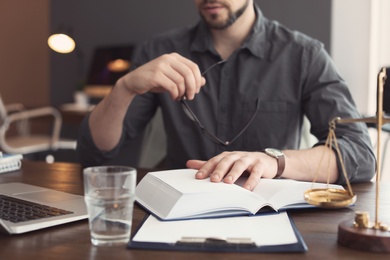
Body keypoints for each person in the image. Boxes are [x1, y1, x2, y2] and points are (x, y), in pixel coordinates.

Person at [77, 0, 375, 190]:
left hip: (268, 213)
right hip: (175, 210)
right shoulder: (159, 50)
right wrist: (124, 88)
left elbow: (359, 155)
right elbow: (95, 153)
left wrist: (274, 161)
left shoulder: (304, 55)